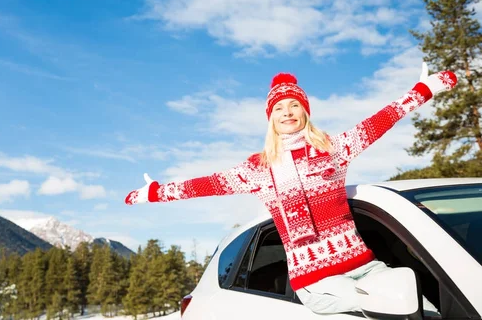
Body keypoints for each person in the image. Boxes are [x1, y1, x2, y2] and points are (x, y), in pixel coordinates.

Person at [124, 63, 456, 315]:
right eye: (279, 108)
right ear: (271, 118)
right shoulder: (258, 168)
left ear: (305, 112)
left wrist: (423, 90)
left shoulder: (332, 149)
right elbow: (206, 185)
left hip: (365, 266)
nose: (287, 112)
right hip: (318, 284)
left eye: (293, 106)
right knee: (378, 307)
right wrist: (154, 192)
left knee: (426, 309)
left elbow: (378, 122)